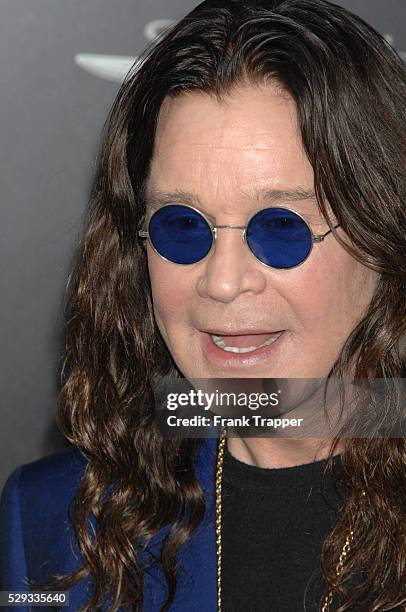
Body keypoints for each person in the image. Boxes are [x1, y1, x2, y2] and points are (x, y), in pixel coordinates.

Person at [1, 0, 405, 610]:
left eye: (280, 227)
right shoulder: (54, 521)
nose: (221, 282)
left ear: (381, 238)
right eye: (183, 227)